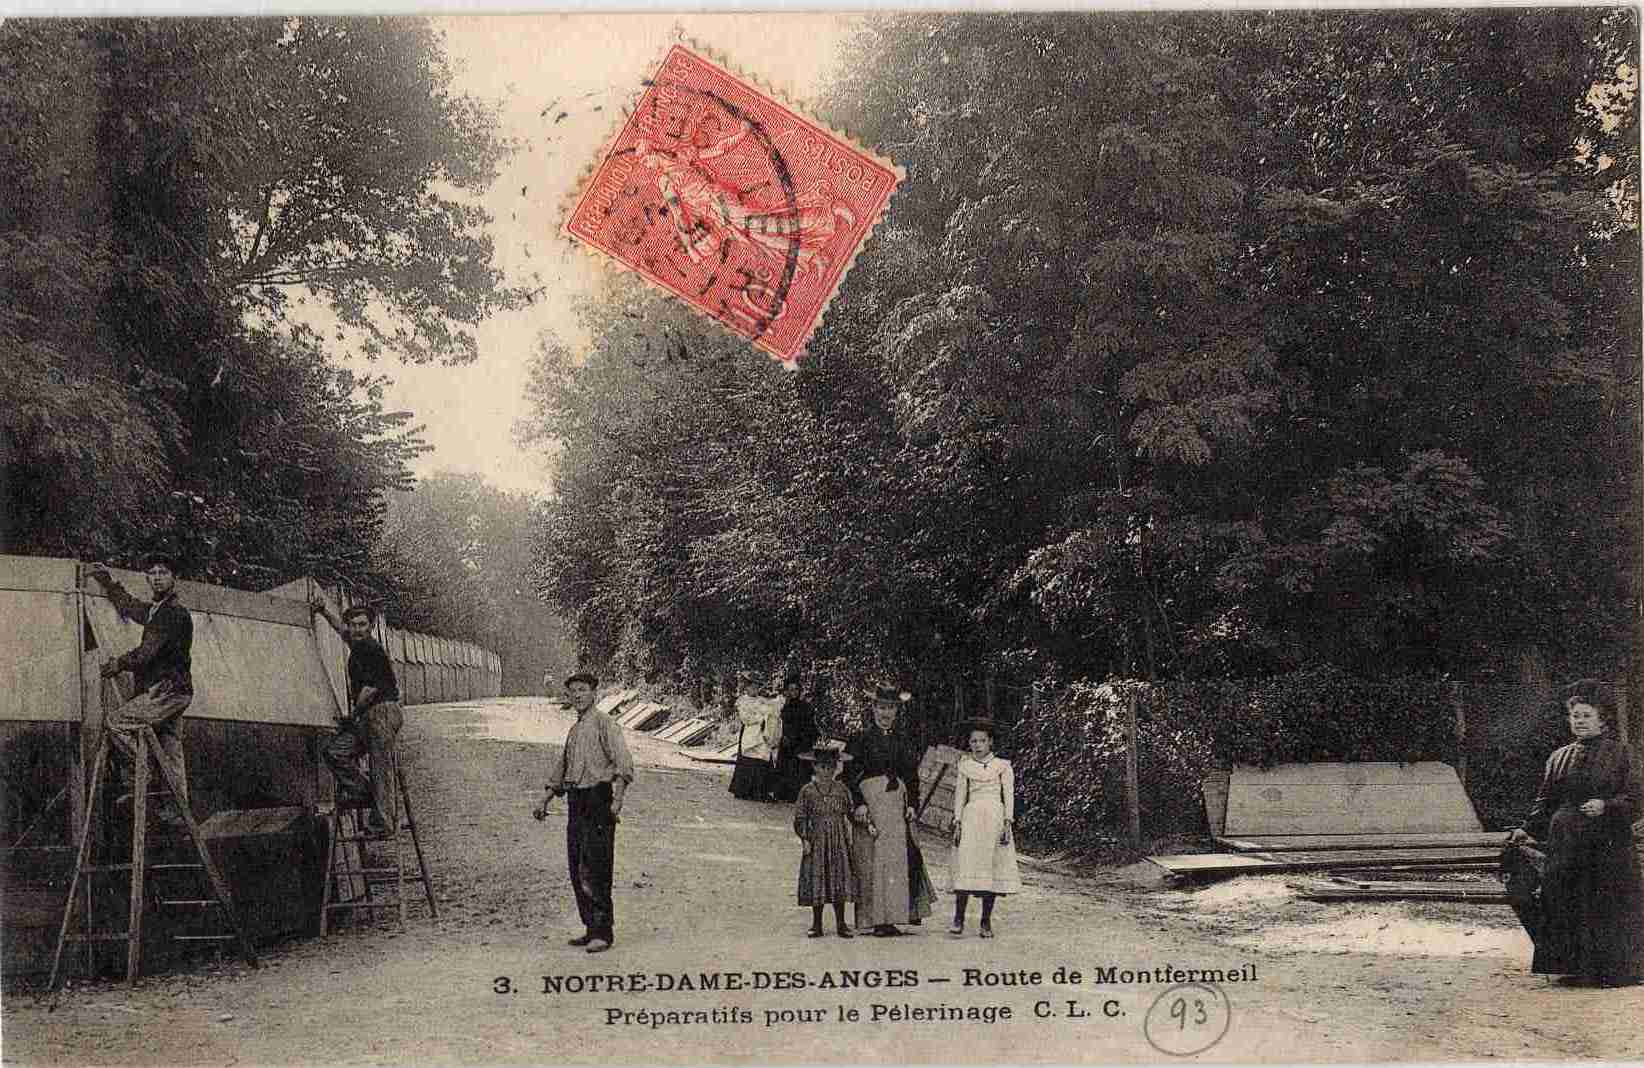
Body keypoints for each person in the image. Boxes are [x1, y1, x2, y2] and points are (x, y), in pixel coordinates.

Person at [1505, 679, 1644, 987]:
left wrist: (1606, 805)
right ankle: (1576, 969)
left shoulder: (1622, 754)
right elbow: (1545, 801)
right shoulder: (1558, 757)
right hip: (1566, 841)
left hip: (1608, 843)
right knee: (1567, 899)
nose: (1579, 721)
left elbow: (1636, 796)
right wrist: (1527, 831)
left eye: (1586, 715)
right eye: (1575, 716)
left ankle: (1616, 971)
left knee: (1606, 900)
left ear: (1602, 719)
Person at [87, 555, 195, 827]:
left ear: (174, 578)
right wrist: (109, 583)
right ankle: (178, 814)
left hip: (166, 691)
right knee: (171, 749)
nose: (157, 577)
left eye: (163, 572)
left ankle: (143, 773)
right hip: (176, 692)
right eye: (153, 572)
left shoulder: (173, 613)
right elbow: (130, 607)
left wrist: (117, 664)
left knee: (116, 723)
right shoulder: (156, 611)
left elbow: (146, 655)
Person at [537, 672, 635, 954]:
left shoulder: (606, 724)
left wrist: (617, 801)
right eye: (572, 692)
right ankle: (590, 926)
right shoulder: (575, 730)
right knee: (577, 865)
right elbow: (562, 768)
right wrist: (544, 799)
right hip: (576, 801)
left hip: (599, 799)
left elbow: (623, 764)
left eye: (582, 690)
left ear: (594, 693)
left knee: (597, 866)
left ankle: (603, 932)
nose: (577, 695)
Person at [844, 686, 936, 936]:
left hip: (896, 808)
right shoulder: (859, 739)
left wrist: (912, 805)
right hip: (870, 806)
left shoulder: (903, 741)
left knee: (896, 862)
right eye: (881, 707)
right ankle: (874, 919)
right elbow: (849, 775)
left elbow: (912, 777)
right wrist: (858, 803)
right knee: (871, 861)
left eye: (891, 708)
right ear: (873, 709)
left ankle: (893, 917)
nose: (886, 712)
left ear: (897, 711)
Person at [310, 599, 404, 839]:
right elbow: (340, 631)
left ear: (371, 626)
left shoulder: (370, 649)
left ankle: (383, 824)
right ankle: (364, 793)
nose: (357, 629)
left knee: (380, 767)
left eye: (362, 624)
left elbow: (369, 690)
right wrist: (323, 613)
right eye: (353, 625)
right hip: (370, 715)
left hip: (382, 711)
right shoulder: (357, 643)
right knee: (335, 752)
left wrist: (350, 717)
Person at [948, 719, 1022, 938]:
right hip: (971, 819)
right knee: (965, 864)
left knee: (991, 867)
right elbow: (960, 795)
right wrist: (958, 822)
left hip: (994, 819)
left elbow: (1008, 795)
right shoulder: (965, 765)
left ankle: (985, 921)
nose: (977, 745)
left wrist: (1008, 822)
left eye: (982, 740)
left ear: (990, 742)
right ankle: (958, 918)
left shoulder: (1003, 766)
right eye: (973, 741)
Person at [793, 745, 856, 938]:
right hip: (817, 839)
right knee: (817, 877)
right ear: (815, 767)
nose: (827, 771)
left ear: (836, 768)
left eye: (831, 767)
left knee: (839, 876)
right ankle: (817, 924)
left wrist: (857, 830)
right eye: (822, 767)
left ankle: (841, 923)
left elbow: (851, 812)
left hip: (838, 839)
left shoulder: (842, 789)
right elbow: (800, 817)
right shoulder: (807, 791)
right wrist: (805, 839)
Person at [772, 675, 820, 802]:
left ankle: (800, 795)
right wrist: (783, 737)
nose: (793, 693)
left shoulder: (806, 707)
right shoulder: (783, 707)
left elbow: (810, 727)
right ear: (787, 691)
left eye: (796, 690)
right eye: (790, 690)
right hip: (787, 742)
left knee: (800, 769)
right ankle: (784, 794)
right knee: (786, 768)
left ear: (799, 691)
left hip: (801, 742)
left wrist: (801, 739)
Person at [729, 688, 780, 802]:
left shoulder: (762, 701)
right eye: (751, 686)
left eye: (756, 686)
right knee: (749, 760)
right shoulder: (743, 701)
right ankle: (744, 791)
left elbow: (772, 713)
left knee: (762, 761)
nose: (753, 689)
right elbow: (746, 718)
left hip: (763, 734)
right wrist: (760, 717)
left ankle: (760, 792)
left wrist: (766, 715)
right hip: (751, 733)